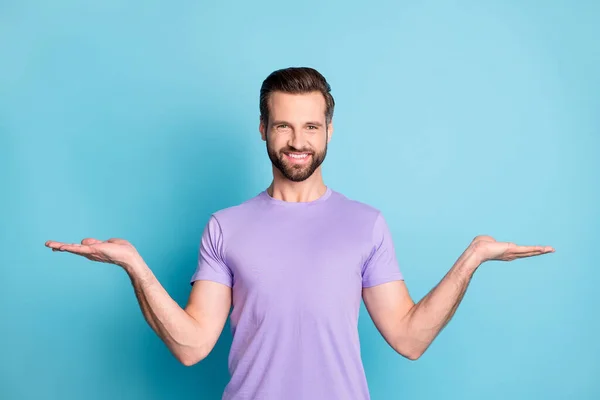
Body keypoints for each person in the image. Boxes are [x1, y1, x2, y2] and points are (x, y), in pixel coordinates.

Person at [45, 67, 554, 400]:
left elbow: (409, 337)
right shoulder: (226, 226)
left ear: (329, 131)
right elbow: (192, 346)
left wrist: (473, 258)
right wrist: (135, 266)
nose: (297, 142)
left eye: (311, 127)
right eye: (284, 126)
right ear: (263, 129)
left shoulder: (365, 223)